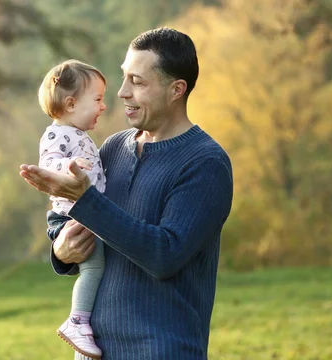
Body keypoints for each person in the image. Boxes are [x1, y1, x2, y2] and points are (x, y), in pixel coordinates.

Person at [21, 27, 233, 360]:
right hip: (95, 354)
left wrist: (87, 202)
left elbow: (165, 256)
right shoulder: (112, 149)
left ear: (176, 90)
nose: (121, 93)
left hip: (163, 352)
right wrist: (61, 251)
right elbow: (88, 227)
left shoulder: (206, 163)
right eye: (124, 78)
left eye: (138, 82)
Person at [37, 59, 108, 359]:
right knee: (94, 266)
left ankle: (81, 325)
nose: (103, 107)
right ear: (70, 103)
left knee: (96, 265)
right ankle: (77, 321)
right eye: (98, 99)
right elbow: (48, 164)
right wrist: (69, 166)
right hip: (70, 215)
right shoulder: (57, 134)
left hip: (83, 212)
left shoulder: (79, 135)